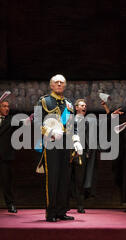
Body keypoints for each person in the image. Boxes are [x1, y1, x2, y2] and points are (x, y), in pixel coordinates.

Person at [35, 74, 82, 222]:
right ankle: (51, 212)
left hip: (66, 145)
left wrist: (76, 140)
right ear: (51, 85)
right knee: (53, 178)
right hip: (52, 145)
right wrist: (49, 132)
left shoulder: (69, 104)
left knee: (65, 179)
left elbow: (72, 126)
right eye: (57, 82)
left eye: (62, 82)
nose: (60, 84)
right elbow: (37, 123)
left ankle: (62, 211)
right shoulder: (44, 101)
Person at [70, 99, 98, 214]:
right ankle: (64, 204)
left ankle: (80, 205)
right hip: (69, 153)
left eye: (85, 105)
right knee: (67, 179)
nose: (84, 107)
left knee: (80, 180)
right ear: (76, 107)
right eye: (82, 105)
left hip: (81, 154)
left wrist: (88, 152)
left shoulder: (87, 122)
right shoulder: (69, 120)